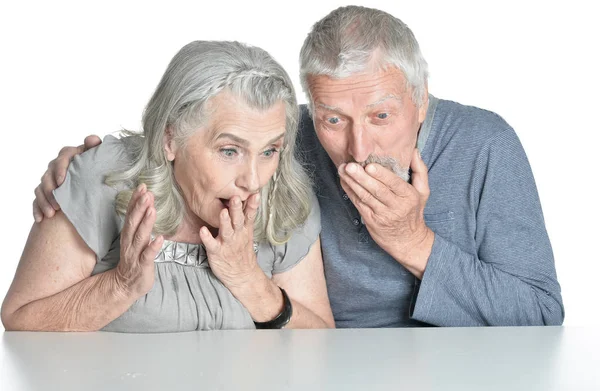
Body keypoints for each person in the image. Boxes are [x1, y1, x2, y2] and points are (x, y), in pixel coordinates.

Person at [26, 6, 564, 328]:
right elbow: (198, 133)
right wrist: (84, 165)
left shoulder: (487, 145)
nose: (358, 147)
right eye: (333, 118)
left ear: (422, 100)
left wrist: (413, 241)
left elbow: (542, 315)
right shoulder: (287, 141)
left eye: (382, 115)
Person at [1, 40, 334, 332]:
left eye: (269, 151)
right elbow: (20, 318)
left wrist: (250, 281)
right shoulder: (102, 178)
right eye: (229, 151)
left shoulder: (285, 195)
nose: (252, 180)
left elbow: (324, 342)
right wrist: (119, 286)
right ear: (170, 138)